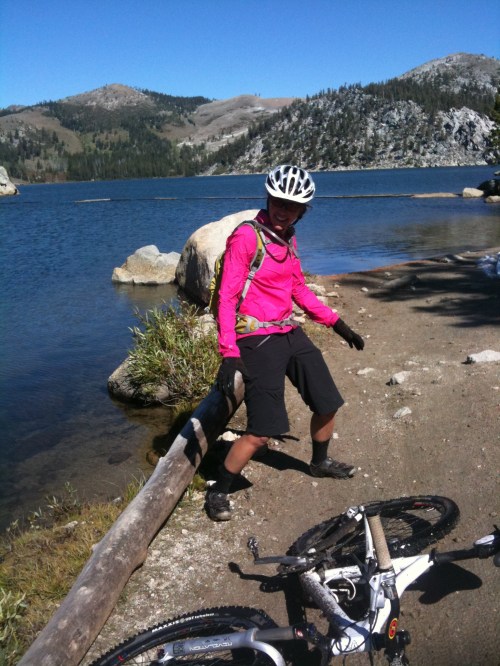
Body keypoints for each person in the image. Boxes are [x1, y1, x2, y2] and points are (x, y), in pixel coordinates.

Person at [205, 165, 364, 521]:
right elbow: (227, 297)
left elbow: (298, 289)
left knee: (327, 402)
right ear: (268, 198)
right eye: (278, 201)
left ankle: (320, 462)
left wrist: (337, 323)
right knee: (262, 432)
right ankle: (218, 489)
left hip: (288, 331)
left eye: (292, 206)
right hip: (256, 337)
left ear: (302, 211)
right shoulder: (247, 237)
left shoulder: (288, 238)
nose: (283, 210)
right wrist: (229, 351)